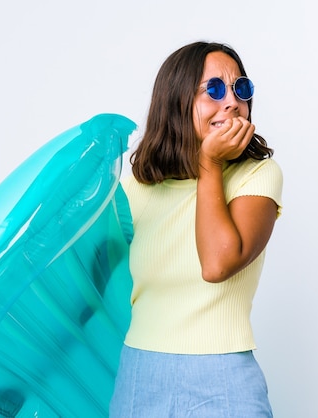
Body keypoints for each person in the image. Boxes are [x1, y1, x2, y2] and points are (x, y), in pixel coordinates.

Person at [109, 41, 283, 417]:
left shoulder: (257, 175)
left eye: (241, 89)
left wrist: (209, 163)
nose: (233, 102)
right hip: (140, 375)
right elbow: (85, 290)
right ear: (176, 102)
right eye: (215, 90)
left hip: (223, 379)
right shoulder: (136, 188)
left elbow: (217, 264)